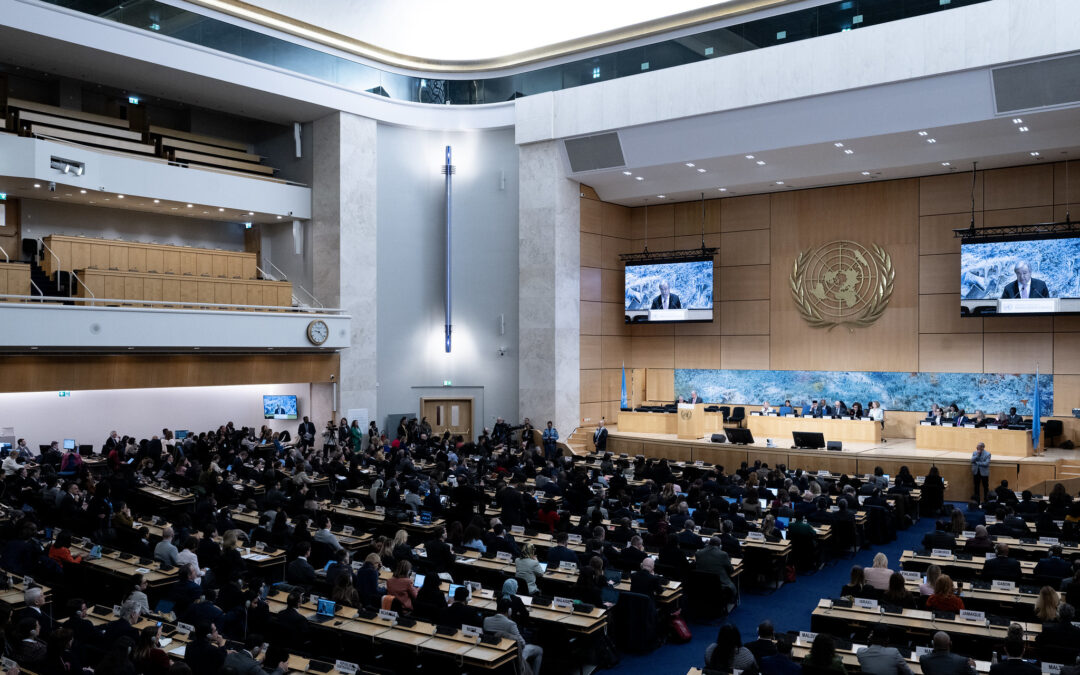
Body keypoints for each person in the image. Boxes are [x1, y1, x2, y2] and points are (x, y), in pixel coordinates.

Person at [484, 597, 543, 674]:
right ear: (509, 611)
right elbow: (522, 643)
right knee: (539, 650)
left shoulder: (486, 620)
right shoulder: (510, 624)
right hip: (512, 653)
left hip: (494, 652)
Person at [223, 634, 287, 675]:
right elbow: (248, 665)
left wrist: (257, 662)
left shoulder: (230, 655)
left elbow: (243, 662)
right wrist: (280, 670)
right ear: (256, 649)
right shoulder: (253, 667)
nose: (261, 651)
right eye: (261, 648)